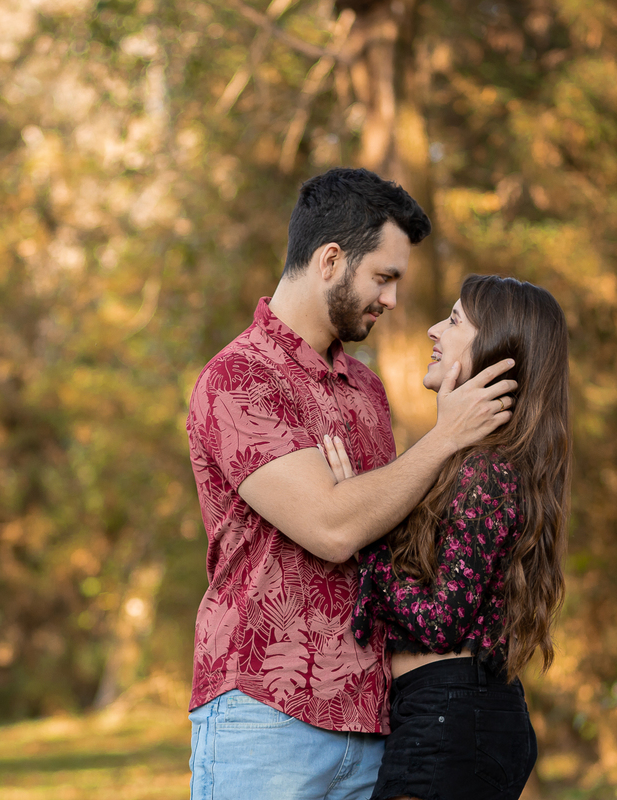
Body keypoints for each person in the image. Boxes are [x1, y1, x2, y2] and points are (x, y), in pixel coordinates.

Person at [185, 168, 519, 800]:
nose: (392, 300)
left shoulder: (366, 389)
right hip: (268, 718)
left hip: (375, 722)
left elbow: (385, 537)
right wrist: (445, 437)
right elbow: (334, 528)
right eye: (383, 277)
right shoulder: (238, 379)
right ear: (331, 260)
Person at [324, 274, 571, 800]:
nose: (435, 329)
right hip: (451, 714)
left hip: (451, 720)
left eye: (455, 320)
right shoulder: (476, 465)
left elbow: (440, 621)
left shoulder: (486, 472)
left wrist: (362, 537)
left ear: (495, 350)